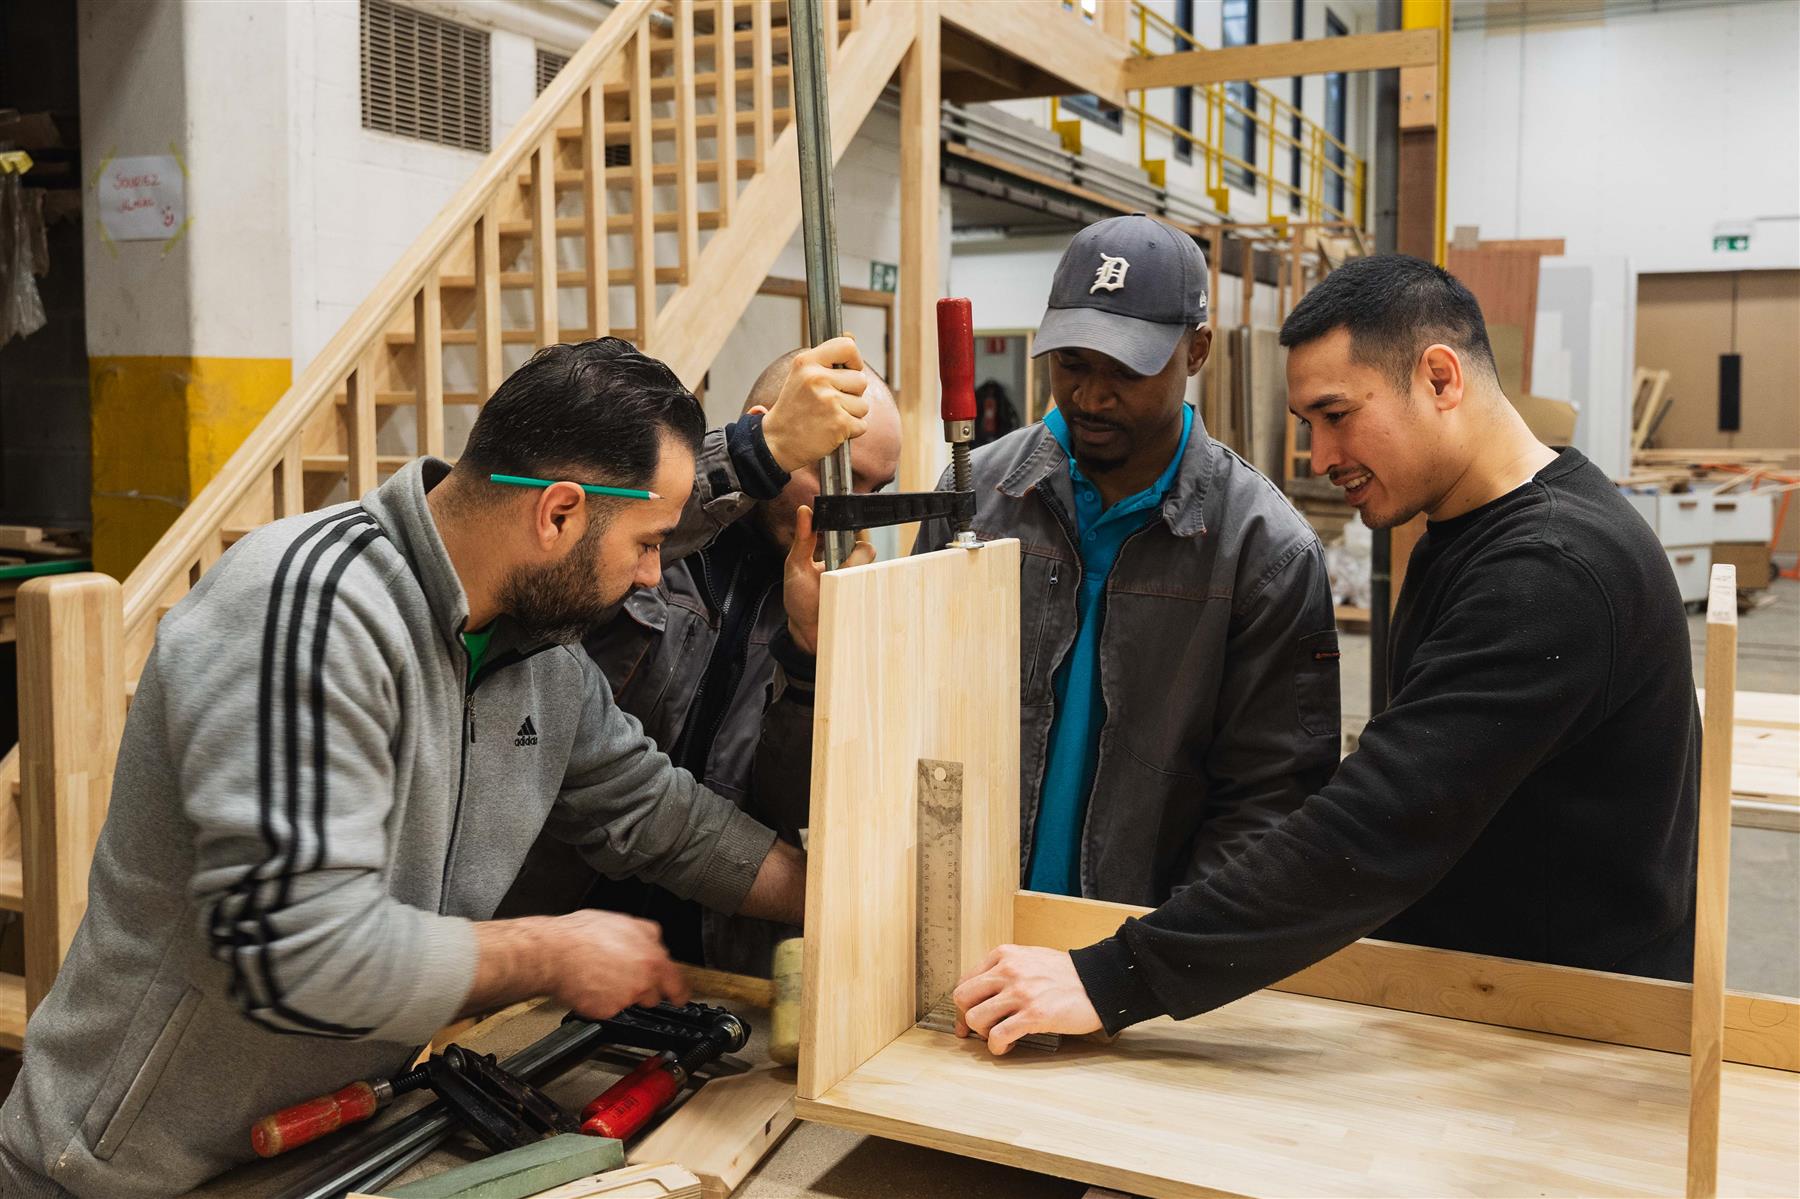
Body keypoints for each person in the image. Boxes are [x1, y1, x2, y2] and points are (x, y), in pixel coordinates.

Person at [0, 335, 869, 1197]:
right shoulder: (307, 613)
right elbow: (297, 948)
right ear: (558, 512)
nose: (651, 577)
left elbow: (662, 816)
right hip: (124, 1168)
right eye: (647, 541)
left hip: (323, 1136)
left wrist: (840, 896)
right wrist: (550, 950)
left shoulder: (542, 662)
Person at [951, 255, 1699, 1054]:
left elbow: (1375, 828)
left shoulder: (1550, 573)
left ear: (1440, 378)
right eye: (1308, 424)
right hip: (1476, 1010)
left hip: (1575, 1035)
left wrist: (1109, 977)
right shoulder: (1469, 533)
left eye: (1337, 415)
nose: (1317, 455)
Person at [917, 213, 1340, 911]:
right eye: (1072, 363)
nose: (1090, 396)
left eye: (1126, 370)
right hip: (965, 922)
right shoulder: (977, 498)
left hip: (1137, 966)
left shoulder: (1263, 553)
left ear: (1196, 350)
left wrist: (1146, 967)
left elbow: (1268, 807)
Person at [500, 349, 903, 975]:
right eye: (834, 475)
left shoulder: (838, 598)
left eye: (876, 489)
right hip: (550, 924)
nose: (848, 512)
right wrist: (749, 456)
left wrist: (806, 659)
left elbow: (798, 811)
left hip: (709, 951)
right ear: (772, 428)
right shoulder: (636, 551)